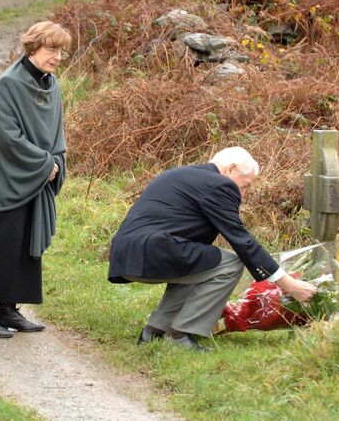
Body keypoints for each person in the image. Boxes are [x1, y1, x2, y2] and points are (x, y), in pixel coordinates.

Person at [107, 146, 316, 351]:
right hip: (154, 251)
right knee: (231, 263)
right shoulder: (219, 185)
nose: (242, 195)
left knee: (202, 263)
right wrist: (289, 284)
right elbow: (242, 241)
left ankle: (154, 331)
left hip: (125, 254)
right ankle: (181, 334)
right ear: (231, 169)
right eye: (245, 186)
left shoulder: (179, 174)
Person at [0, 21, 71, 338]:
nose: (57, 57)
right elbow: (7, 137)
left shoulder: (51, 85)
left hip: (36, 176)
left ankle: (8, 310)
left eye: (62, 51)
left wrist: (55, 162)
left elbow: (56, 133)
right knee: (2, 245)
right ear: (33, 46)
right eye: (52, 49)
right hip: (6, 178)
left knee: (26, 244)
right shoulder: (8, 84)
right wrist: (43, 163)